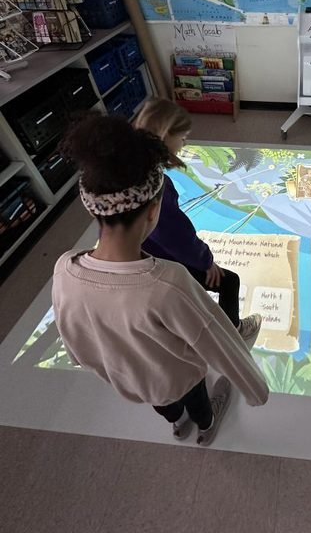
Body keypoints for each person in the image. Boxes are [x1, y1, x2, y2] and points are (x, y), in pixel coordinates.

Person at [52, 114, 268, 445]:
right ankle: (206, 426)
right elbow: (217, 340)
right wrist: (256, 390)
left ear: (91, 208)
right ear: (154, 210)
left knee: (166, 406)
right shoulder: (169, 282)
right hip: (180, 376)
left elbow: (76, 344)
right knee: (198, 400)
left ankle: (178, 424)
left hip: (134, 382)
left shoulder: (64, 267)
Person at [133, 98, 261, 341]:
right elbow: (175, 235)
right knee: (229, 281)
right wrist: (205, 261)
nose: (184, 144)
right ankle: (233, 338)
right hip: (161, 265)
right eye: (182, 138)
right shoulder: (157, 184)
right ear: (166, 136)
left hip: (144, 257)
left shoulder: (130, 169)